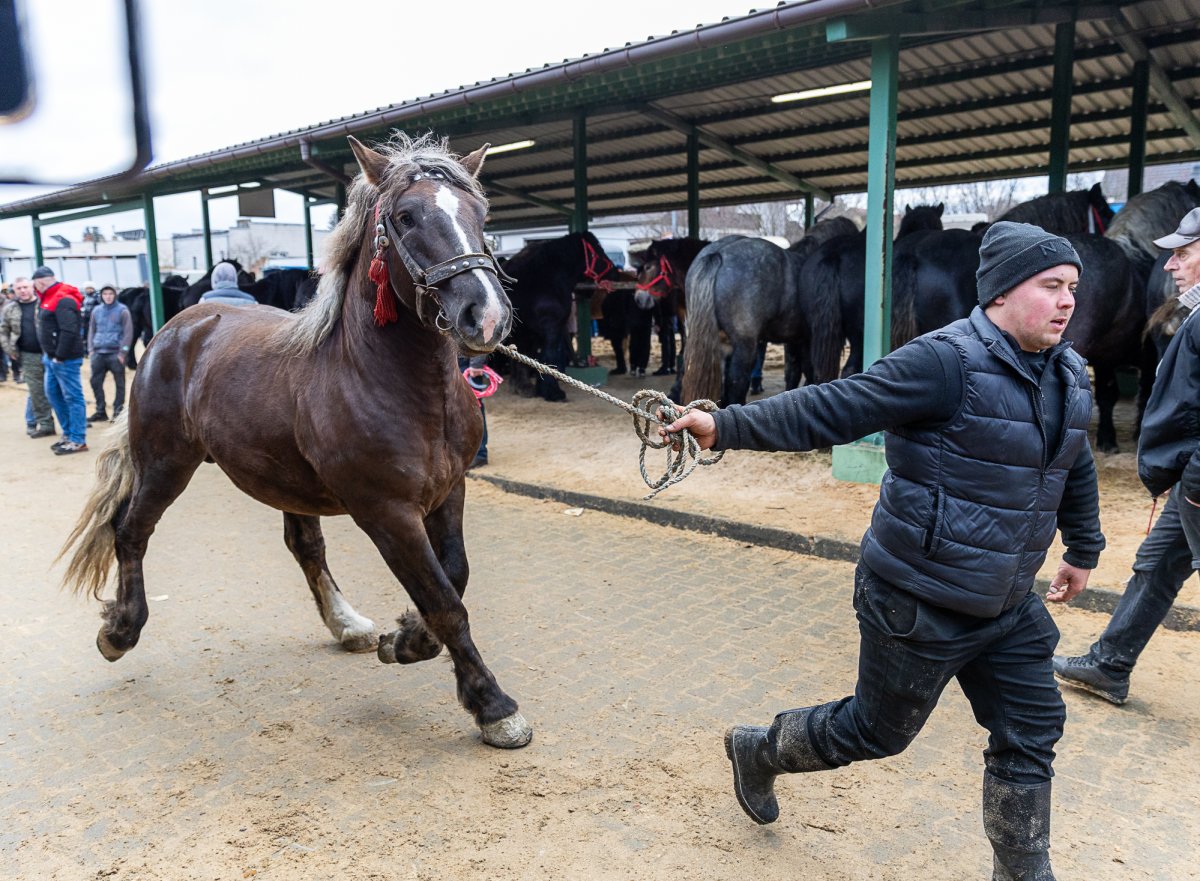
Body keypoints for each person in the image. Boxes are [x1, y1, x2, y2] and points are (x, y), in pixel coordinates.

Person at [665, 222, 1103, 880]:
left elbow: (1074, 459)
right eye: (1051, 286)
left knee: (1033, 723)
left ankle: (1022, 873)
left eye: (1072, 286)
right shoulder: (945, 362)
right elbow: (836, 405)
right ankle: (760, 749)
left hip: (1006, 604)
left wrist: (1083, 544)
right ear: (1002, 293)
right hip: (919, 599)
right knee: (877, 731)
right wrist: (725, 423)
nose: (1068, 301)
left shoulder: (1067, 371)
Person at [1055, 206, 1200, 705]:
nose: (1168, 265)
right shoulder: (1195, 313)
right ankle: (1110, 665)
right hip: (1190, 480)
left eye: (1182, 253)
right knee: (1156, 565)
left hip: (1199, 481)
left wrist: (1196, 477)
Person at [33, 266, 88, 454]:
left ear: (40, 282)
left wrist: (59, 355)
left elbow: (69, 329)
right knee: (54, 395)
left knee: (73, 397)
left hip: (65, 359)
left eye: (35, 285)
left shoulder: (63, 299)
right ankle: (68, 433)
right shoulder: (49, 297)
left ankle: (78, 438)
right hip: (52, 358)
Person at [1, 277, 55, 437]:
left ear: (32, 287)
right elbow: (3, 330)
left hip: (51, 353)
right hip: (28, 355)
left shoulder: (45, 304)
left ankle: (72, 424)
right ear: (14, 291)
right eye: (19, 288)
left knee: (58, 389)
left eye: (25, 287)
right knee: (36, 391)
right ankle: (45, 424)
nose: (23, 291)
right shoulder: (10, 309)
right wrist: (9, 349)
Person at [86, 285, 133, 423]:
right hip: (98, 353)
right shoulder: (96, 311)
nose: (108, 296)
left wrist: (123, 352)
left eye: (110, 293)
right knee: (95, 382)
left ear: (115, 295)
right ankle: (100, 410)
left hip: (115, 354)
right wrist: (91, 349)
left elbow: (128, 332)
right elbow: (91, 330)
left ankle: (117, 412)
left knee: (120, 383)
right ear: (101, 295)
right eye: (105, 294)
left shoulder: (123, 311)